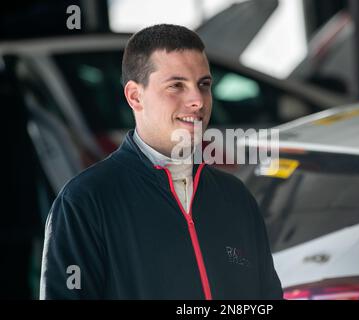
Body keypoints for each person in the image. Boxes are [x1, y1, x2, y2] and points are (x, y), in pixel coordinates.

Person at [39, 24, 283, 299]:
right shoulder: (85, 202)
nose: (197, 101)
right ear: (135, 96)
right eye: (176, 86)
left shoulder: (236, 197)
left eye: (203, 84)